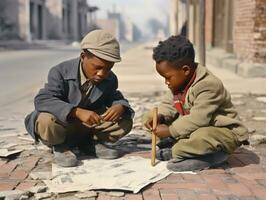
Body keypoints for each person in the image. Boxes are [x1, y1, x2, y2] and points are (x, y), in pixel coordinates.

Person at [25, 30, 134, 167]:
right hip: (63, 126)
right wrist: (76, 112)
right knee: (45, 121)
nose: (102, 74)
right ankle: (60, 147)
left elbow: (115, 97)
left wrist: (120, 106)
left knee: (124, 120)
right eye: (98, 67)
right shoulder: (60, 71)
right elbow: (43, 99)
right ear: (83, 57)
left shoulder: (110, 78)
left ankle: (89, 144)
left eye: (108, 68)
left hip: (88, 128)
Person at [142, 35, 248, 171]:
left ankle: (210, 156)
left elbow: (199, 119)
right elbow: (168, 105)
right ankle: (184, 149)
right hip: (193, 129)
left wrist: (170, 131)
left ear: (185, 70)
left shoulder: (209, 85)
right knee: (149, 117)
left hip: (221, 133)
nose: (166, 82)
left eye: (168, 77)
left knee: (200, 137)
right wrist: (160, 117)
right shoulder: (178, 82)